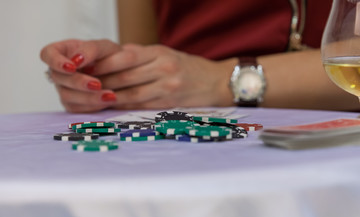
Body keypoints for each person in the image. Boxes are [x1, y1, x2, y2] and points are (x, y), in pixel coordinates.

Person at [40, 0, 360, 113]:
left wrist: (219, 82)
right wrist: (117, 74)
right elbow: (144, 46)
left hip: (330, 140)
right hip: (191, 137)